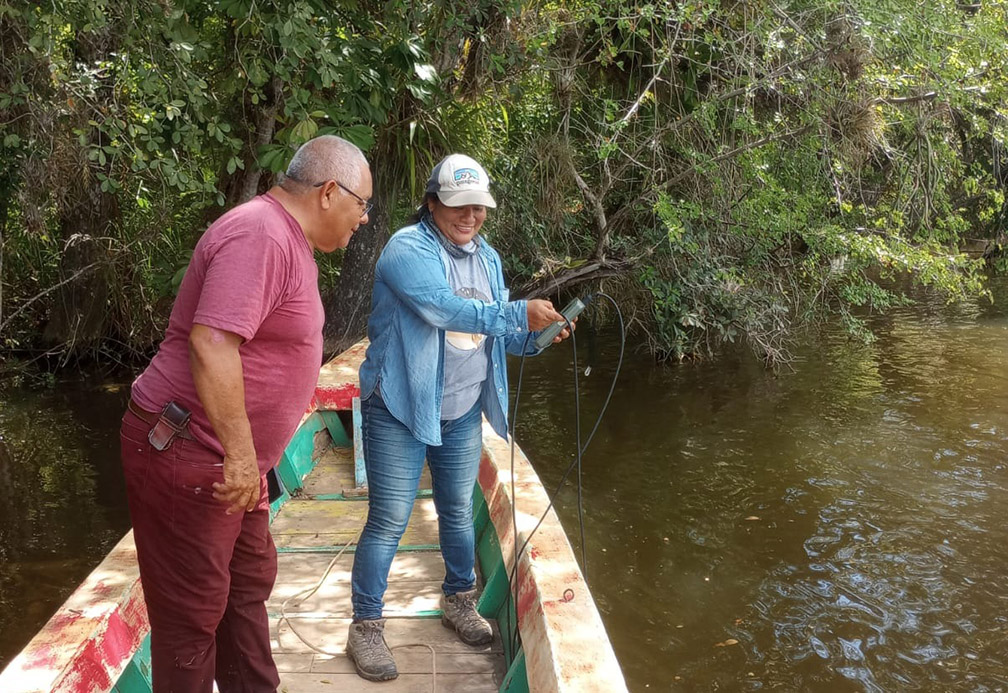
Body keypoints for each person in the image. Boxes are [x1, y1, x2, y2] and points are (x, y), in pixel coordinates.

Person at [120, 135, 372, 692]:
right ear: (329, 192)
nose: (364, 219)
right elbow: (211, 344)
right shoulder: (260, 234)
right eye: (362, 205)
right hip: (192, 450)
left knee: (246, 587)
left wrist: (248, 462)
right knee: (191, 619)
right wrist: (239, 457)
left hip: (234, 461)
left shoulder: (288, 240)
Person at [347, 153, 572, 681]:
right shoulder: (406, 249)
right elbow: (444, 309)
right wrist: (517, 312)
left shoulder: (487, 258)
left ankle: (459, 601)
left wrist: (536, 337)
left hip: (463, 407)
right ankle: (366, 626)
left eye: (478, 206)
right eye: (457, 205)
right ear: (432, 203)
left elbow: (493, 331)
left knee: (455, 509)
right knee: (389, 519)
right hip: (400, 405)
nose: (470, 216)